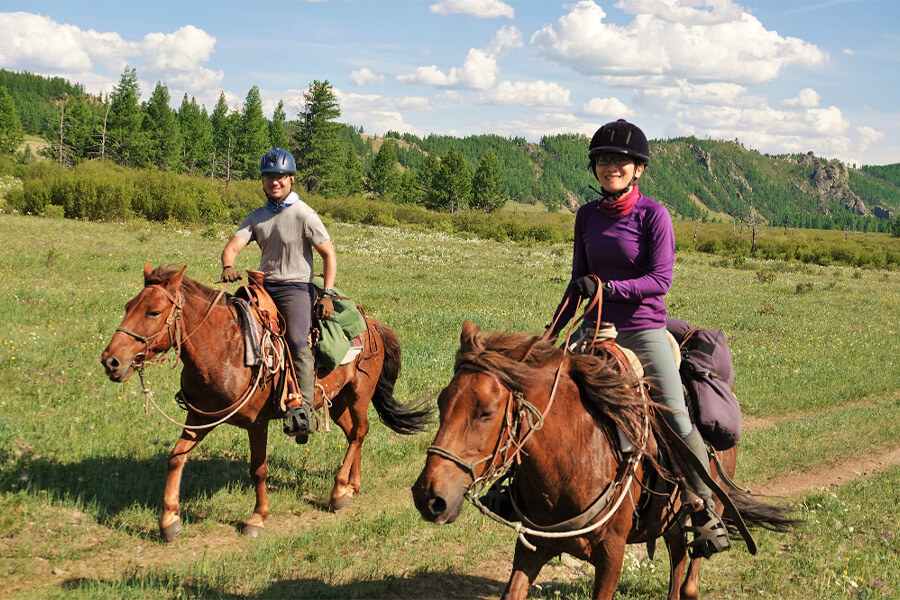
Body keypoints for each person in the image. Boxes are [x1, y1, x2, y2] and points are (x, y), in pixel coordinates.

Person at [549, 119, 730, 558]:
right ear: (595, 167)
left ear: (638, 169)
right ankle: (521, 488)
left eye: (621, 160)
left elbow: (660, 280)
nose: (611, 166)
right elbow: (578, 281)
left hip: (644, 329)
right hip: (595, 327)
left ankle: (701, 504)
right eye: (604, 159)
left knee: (673, 413)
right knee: (547, 398)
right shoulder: (587, 215)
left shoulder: (654, 215)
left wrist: (609, 289)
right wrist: (550, 337)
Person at [220, 147, 337, 442]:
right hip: (262, 287)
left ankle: (304, 411)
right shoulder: (257, 217)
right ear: (262, 181)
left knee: (298, 341)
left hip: (295, 288)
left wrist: (328, 294)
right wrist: (228, 265)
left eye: (281, 177)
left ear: (292, 179)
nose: (275, 181)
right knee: (229, 325)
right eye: (269, 176)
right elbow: (233, 247)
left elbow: (328, 254)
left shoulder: (304, 214)